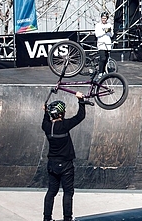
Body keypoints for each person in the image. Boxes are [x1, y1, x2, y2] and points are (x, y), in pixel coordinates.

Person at [42, 92, 86, 221]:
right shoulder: (64, 126)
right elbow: (80, 116)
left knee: (51, 191)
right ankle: (67, 218)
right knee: (68, 192)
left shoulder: (47, 127)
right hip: (65, 165)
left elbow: (45, 119)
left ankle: (47, 218)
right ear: (61, 114)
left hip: (52, 164)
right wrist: (81, 100)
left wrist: (45, 112)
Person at [94, 12, 113, 77]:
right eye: (102, 18)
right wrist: (104, 31)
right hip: (101, 43)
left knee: (106, 58)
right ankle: (100, 72)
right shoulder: (98, 25)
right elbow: (97, 34)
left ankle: (104, 71)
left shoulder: (109, 25)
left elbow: (111, 34)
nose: (103, 19)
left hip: (107, 43)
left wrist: (108, 31)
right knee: (103, 58)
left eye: (105, 18)